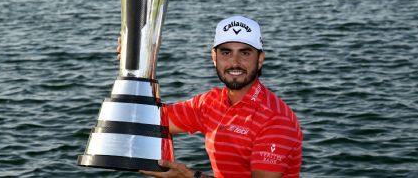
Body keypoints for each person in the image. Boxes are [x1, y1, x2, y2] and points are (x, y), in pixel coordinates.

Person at [117, 15, 303, 178]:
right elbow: (142, 120)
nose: (235, 62)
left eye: (245, 53)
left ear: (260, 58)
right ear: (214, 57)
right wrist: (137, 61)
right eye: (226, 52)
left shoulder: (276, 119)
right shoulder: (210, 103)